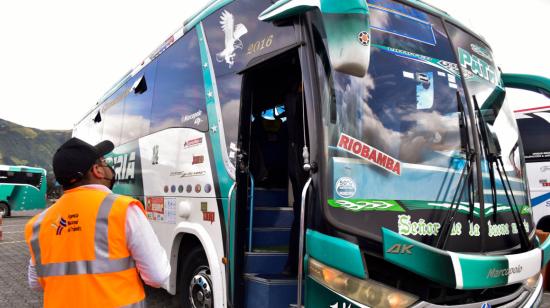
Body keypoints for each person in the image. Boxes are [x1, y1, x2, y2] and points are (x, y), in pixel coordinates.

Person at [24, 138, 170, 307]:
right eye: (104, 162)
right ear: (97, 171)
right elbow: (157, 276)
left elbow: (35, 283)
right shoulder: (123, 209)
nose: (108, 167)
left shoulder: (37, 224)